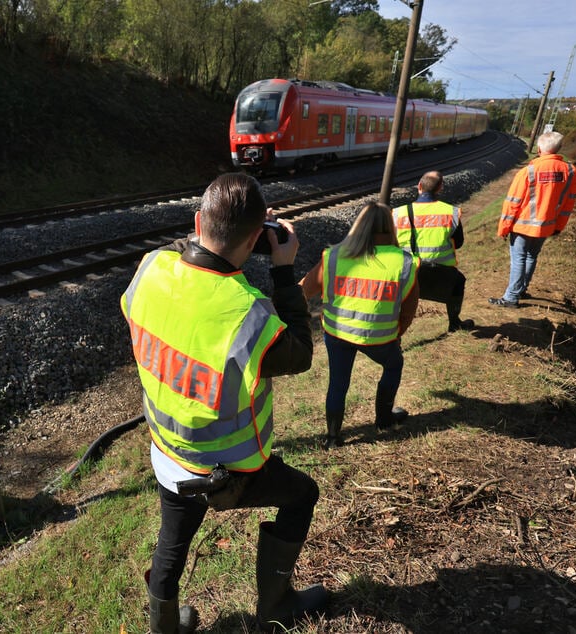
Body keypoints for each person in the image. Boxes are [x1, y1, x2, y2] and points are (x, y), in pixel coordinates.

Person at [120, 173, 327, 634]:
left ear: (197, 222)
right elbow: (301, 352)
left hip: (169, 453)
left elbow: (183, 249)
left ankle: (165, 628)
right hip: (231, 472)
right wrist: (281, 268)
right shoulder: (249, 314)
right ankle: (277, 606)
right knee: (303, 496)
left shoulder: (151, 268)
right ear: (256, 237)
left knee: (172, 543)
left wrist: (230, 231)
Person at [300, 201, 419, 450]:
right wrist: (396, 334)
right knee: (394, 364)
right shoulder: (404, 263)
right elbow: (408, 312)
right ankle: (384, 422)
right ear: (390, 228)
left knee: (338, 382)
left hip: (337, 332)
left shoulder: (332, 256)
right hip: (379, 338)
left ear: (358, 225)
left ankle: (332, 437)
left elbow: (304, 290)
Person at [489, 130, 576, 307]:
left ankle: (511, 298)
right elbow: (568, 203)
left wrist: (504, 227)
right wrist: (559, 226)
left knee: (519, 258)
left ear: (539, 148)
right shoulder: (571, 172)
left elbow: (512, 203)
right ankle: (521, 289)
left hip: (522, 225)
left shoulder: (528, 172)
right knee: (531, 256)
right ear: (558, 149)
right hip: (547, 225)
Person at [392, 170, 474, 332]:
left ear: (419, 186)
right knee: (459, 281)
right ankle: (454, 323)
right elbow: (459, 243)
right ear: (440, 188)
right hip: (441, 275)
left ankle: (395, 332)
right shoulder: (451, 212)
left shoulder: (397, 213)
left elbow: (391, 244)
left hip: (408, 274)